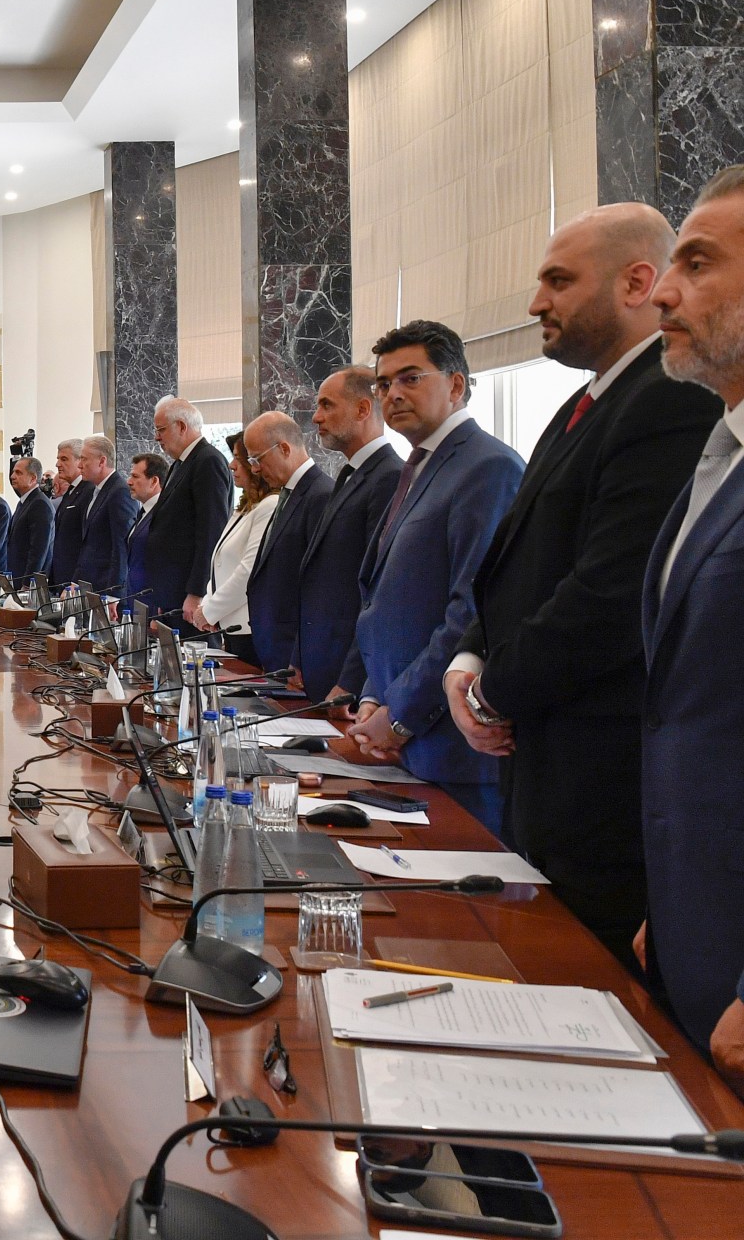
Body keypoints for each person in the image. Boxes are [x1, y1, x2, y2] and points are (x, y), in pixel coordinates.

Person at [440, 204, 717, 965]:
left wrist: (494, 693)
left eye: (559, 281)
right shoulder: (585, 402)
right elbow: (518, 559)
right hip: (547, 771)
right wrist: (469, 658)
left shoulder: (671, 396)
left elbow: (610, 592)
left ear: (635, 283)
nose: (536, 303)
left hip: (601, 784)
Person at [636, 164, 744, 1085]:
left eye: (697, 263)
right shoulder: (721, 450)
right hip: (695, 922)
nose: (663, 292)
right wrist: (670, 908)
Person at [343, 321, 523, 835]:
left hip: (452, 746)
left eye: (410, 378)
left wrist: (400, 714)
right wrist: (374, 697)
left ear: (456, 384)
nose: (393, 394)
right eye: (384, 384)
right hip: (402, 738)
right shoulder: (421, 464)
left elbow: (471, 613)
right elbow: (385, 602)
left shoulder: (487, 467)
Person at [293, 367, 401, 702]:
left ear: (363, 409)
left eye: (327, 405)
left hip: (345, 673)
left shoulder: (389, 476)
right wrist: (299, 657)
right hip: (320, 662)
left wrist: (352, 681)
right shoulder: (350, 473)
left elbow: (378, 592)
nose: (316, 417)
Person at [240, 412, 334, 675]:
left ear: (283, 448)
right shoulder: (288, 493)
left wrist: (300, 656)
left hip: (297, 653)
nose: (255, 469)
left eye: (257, 459)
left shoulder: (321, 495)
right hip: (275, 648)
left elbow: (319, 588)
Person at [145, 399, 232, 629]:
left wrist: (196, 592)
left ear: (182, 426)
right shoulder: (180, 464)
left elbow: (211, 532)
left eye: (161, 430)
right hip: (172, 590)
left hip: (188, 594)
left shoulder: (208, 461)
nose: (156, 437)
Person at [199, 433, 281, 665]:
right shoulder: (247, 506)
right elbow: (220, 564)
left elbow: (248, 570)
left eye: (238, 458)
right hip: (230, 623)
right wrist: (207, 604)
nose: (231, 465)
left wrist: (210, 611)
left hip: (248, 627)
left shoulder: (270, 505)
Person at [71, 434, 140, 595]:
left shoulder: (119, 492)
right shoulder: (96, 490)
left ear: (102, 461)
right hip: (90, 584)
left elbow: (121, 546)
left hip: (106, 587)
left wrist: (114, 594)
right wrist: (75, 581)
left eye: (84, 459)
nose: (79, 465)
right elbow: (88, 544)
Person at [123, 452, 168, 602]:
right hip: (134, 597)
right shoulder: (143, 511)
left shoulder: (164, 513)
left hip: (152, 601)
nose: (129, 482)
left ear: (154, 481)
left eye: (135, 477)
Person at [48, 440, 91, 585]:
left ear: (80, 461)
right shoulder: (71, 491)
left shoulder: (89, 491)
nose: (57, 464)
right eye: (58, 459)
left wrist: (76, 581)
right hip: (62, 578)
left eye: (64, 459)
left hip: (76, 580)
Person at [6, 456, 54, 577]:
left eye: (18, 473)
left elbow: (38, 550)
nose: (12, 476)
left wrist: (28, 582)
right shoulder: (24, 502)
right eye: (13, 472)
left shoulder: (40, 504)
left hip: (28, 581)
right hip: (16, 576)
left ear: (33, 478)